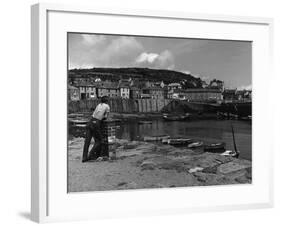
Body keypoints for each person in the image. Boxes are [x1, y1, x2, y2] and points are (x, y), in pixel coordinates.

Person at [82, 96, 110, 162]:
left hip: (90, 122)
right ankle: (90, 155)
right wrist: (103, 117)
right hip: (96, 123)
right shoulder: (107, 106)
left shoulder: (98, 105)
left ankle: (84, 157)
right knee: (99, 141)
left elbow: (94, 114)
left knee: (87, 141)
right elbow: (106, 116)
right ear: (107, 101)